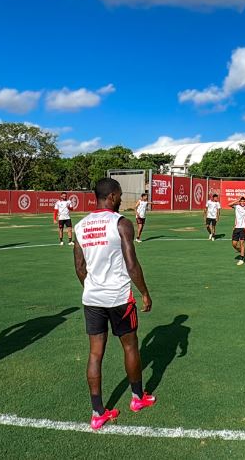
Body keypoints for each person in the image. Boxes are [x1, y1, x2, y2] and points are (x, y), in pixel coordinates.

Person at [73, 178, 155, 430]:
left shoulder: (80, 226)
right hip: (119, 297)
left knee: (95, 353)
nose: (121, 200)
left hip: (92, 298)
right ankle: (138, 398)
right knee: (130, 346)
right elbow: (132, 264)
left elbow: (79, 267)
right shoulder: (120, 223)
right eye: (119, 196)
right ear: (111, 196)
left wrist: (92, 287)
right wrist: (144, 293)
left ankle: (98, 412)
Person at [230, 197, 245, 265]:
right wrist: (237, 200)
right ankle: (242, 251)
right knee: (234, 244)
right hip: (236, 227)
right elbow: (229, 204)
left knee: (242, 243)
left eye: (243, 201)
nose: (242, 202)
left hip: (244, 227)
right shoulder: (236, 206)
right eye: (241, 201)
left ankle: (242, 258)